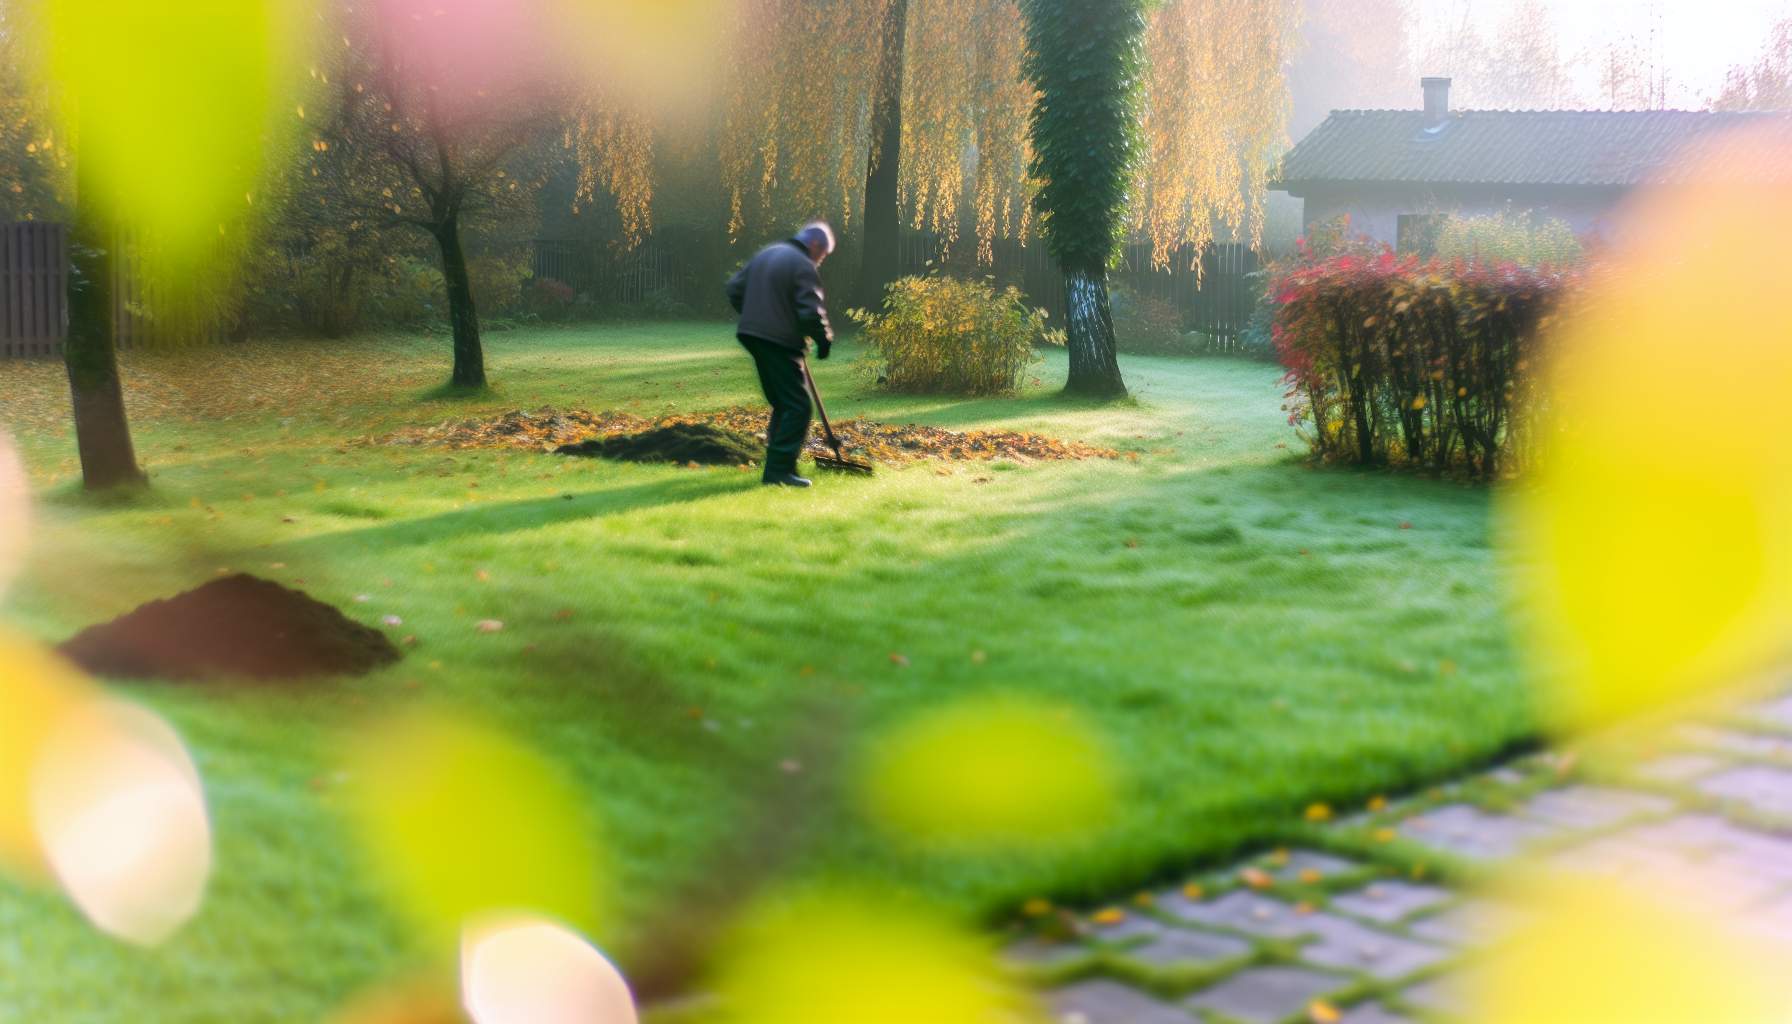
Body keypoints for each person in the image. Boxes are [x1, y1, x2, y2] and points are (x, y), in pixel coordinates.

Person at [725, 221, 836, 488]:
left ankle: (780, 466)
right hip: (778, 340)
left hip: (753, 336)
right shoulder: (802, 264)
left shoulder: (769, 253)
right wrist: (824, 340)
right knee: (798, 406)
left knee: (784, 403)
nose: (821, 261)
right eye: (823, 255)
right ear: (815, 245)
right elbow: (810, 311)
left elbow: (734, 289)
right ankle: (778, 473)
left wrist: (756, 314)